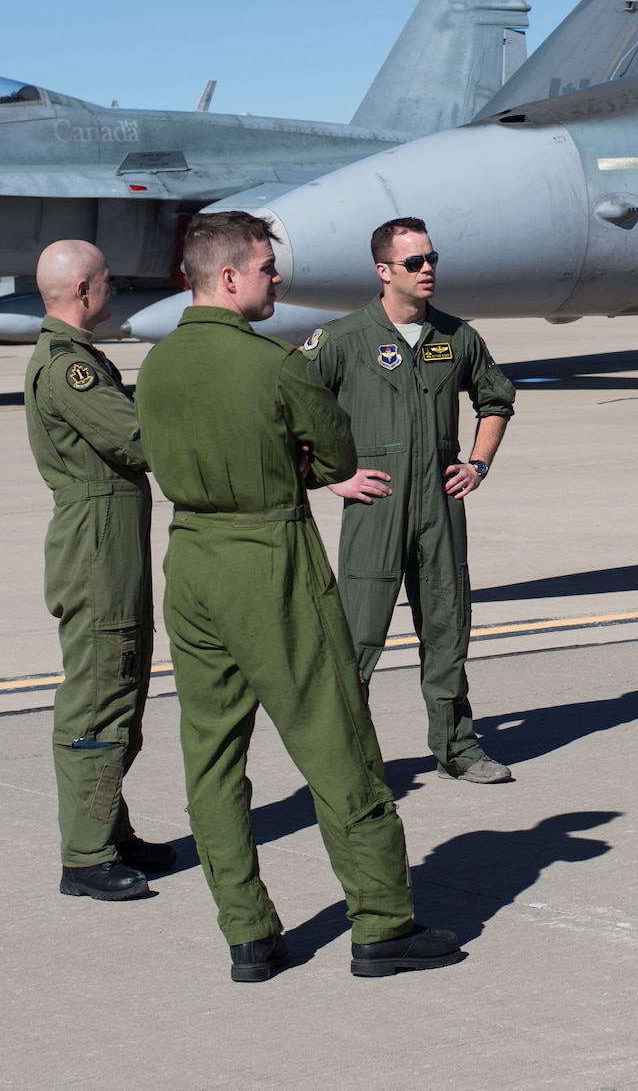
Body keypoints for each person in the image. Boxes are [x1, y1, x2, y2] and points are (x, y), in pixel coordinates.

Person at [134, 211, 462, 982]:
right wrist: (304, 458)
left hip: (190, 560)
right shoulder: (273, 364)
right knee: (335, 736)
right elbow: (339, 450)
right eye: (264, 267)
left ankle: (248, 934)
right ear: (227, 278)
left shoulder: (155, 365)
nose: (275, 277)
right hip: (269, 556)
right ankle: (381, 921)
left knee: (212, 754)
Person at [304, 217, 516, 783]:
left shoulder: (457, 336)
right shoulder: (343, 339)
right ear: (383, 271)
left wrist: (478, 464)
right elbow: (294, 411)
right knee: (357, 637)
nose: (428, 271)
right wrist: (332, 476)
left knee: (448, 628)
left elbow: (496, 400)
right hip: (376, 508)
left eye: (432, 259)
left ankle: (458, 748)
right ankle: (348, 763)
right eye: (414, 262)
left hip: (441, 509)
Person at [23, 239, 173, 901]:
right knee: (101, 691)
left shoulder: (78, 357)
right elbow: (136, 437)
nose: (114, 289)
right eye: (108, 280)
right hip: (95, 546)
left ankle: (109, 826)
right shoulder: (68, 368)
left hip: (111, 540)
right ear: (84, 289)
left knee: (125, 684)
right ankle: (85, 855)